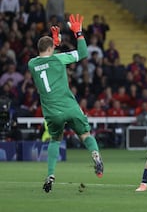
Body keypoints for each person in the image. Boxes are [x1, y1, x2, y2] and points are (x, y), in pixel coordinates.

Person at [28, 14, 104, 193]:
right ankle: (96, 157)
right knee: (85, 134)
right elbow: (83, 53)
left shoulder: (31, 64)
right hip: (69, 106)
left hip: (51, 112)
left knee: (55, 140)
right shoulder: (59, 59)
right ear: (52, 48)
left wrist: (54, 43)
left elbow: (44, 59)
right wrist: (78, 33)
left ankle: (51, 174)